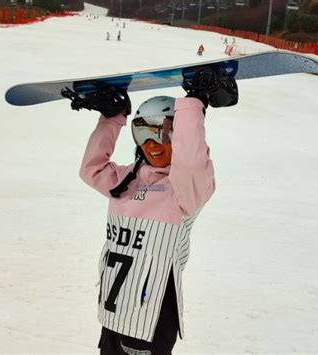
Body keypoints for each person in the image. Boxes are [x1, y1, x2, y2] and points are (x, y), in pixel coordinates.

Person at [62, 67, 238, 354]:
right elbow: (91, 169)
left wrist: (195, 103)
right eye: (142, 131)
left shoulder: (184, 192)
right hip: (114, 313)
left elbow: (192, 163)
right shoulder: (128, 180)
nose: (151, 143)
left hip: (149, 320)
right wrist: (113, 118)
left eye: (163, 131)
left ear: (178, 135)